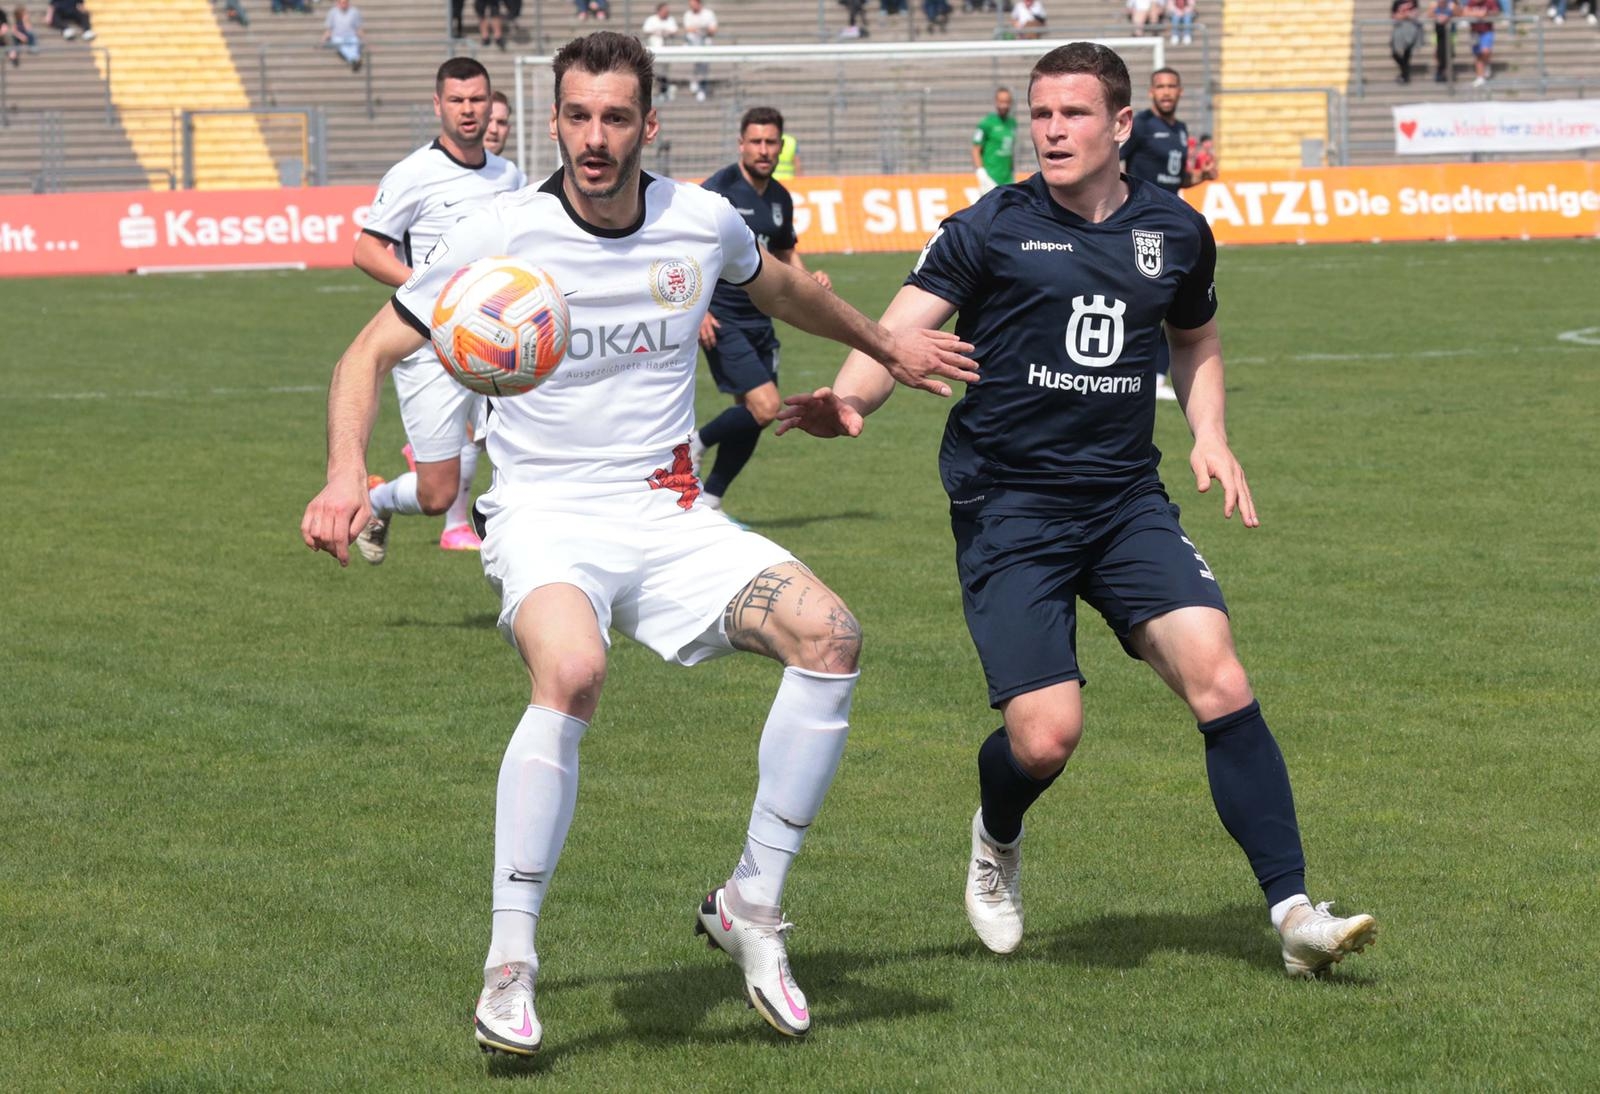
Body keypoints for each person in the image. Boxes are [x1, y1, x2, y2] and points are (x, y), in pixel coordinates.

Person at [299, 31, 974, 1056]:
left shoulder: (698, 223)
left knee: (831, 636)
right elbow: (370, 347)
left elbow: (785, 287)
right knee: (572, 670)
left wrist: (887, 345)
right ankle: (509, 964)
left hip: (670, 512)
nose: (595, 137)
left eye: (616, 117)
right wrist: (349, 472)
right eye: (577, 116)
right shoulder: (502, 235)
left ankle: (751, 900)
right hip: (544, 514)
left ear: (648, 124)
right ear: (555, 120)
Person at [777, 41, 1377, 981]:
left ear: (1121, 125)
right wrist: (849, 400)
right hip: (1009, 506)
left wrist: (1209, 434)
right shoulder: (989, 227)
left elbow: (1198, 334)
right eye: (1040, 115)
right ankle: (996, 833)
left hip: (1125, 499)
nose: (1051, 131)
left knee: (1219, 676)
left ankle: (1294, 910)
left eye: (1073, 115)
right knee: (1046, 738)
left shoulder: (1175, 230)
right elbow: (901, 330)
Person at [350, 57, 526, 562]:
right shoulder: (414, 174)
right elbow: (366, 250)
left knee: (521, 447)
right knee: (436, 494)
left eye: (477, 100)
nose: (469, 111)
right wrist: (435, 294)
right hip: (428, 347)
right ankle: (378, 500)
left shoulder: (509, 175)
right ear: (438, 106)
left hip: (496, 341)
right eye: (457, 101)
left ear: (491, 104)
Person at [689, 107, 830, 515]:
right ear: (741, 144)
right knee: (767, 406)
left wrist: (809, 283)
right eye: (756, 142)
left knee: (754, 415)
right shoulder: (718, 191)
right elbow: (685, 253)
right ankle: (695, 444)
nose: (764, 150)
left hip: (762, 318)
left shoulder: (781, 198)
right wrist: (698, 311)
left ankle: (711, 500)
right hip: (723, 318)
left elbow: (784, 250)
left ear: (781, 146)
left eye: (771, 142)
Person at [1120, 66, 1214, 402]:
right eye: (1160, 86)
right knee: (1144, 302)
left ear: (1180, 91)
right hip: (1141, 226)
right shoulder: (1141, 126)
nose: (1166, 91)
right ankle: (1143, 375)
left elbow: (1176, 180)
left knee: (1171, 303)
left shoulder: (1180, 129)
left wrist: (1201, 175)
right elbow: (1116, 167)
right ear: (1151, 92)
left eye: (1172, 86)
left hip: (1171, 228)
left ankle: (1156, 376)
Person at [971, 86, 1016, 195]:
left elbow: (1010, 150)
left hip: (1007, 179)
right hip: (990, 178)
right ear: (996, 102)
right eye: (1001, 102)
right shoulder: (986, 123)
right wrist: (981, 173)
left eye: (1007, 102)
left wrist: (1012, 170)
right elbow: (975, 149)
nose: (1004, 105)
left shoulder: (1012, 123)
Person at [641, 0, 678, 99]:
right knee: (654, 72)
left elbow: (674, 31)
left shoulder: (670, 20)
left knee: (664, 72)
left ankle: (663, 91)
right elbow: (646, 30)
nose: (666, 13)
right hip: (654, 50)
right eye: (664, 10)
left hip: (666, 50)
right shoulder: (651, 20)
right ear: (659, 11)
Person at [682, 0, 716, 101]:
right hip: (692, 44)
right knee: (696, 64)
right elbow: (688, 29)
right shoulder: (688, 14)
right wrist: (701, 30)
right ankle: (695, 81)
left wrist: (701, 30)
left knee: (704, 67)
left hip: (705, 45)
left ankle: (702, 88)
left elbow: (713, 29)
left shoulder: (708, 14)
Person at [1462, 0, 1500, 86]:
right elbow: (1464, 12)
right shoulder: (1471, 2)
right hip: (1475, 32)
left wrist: (1486, 13)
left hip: (1486, 31)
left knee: (1485, 51)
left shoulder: (1490, 2)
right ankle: (1480, 77)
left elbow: (1496, 12)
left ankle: (1486, 64)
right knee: (1478, 54)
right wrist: (1476, 14)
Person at [322, 0, 364, 71]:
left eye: (345, 3)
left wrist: (364, 39)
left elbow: (358, 28)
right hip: (338, 36)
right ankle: (355, 60)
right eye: (341, 3)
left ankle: (354, 60)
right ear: (338, 3)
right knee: (342, 46)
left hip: (351, 36)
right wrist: (323, 40)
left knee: (354, 44)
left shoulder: (354, 12)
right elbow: (329, 29)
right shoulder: (332, 12)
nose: (343, 4)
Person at [1391, 0, 1423, 83]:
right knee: (1395, 53)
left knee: (1407, 53)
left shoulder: (1414, 2)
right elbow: (1394, 16)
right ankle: (1405, 72)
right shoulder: (1397, 2)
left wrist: (1403, 15)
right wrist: (1406, 15)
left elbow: (1415, 14)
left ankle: (1405, 76)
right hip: (1399, 30)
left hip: (1411, 31)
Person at [1429, 0, 1456, 82]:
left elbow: (1459, 13)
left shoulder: (1452, 4)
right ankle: (1440, 70)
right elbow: (1429, 14)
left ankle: (1447, 71)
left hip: (1450, 32)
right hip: (1438, 32)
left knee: (1449, 51)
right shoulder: (1434, 4)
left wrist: (1448, 16)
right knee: (1438, 52)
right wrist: (1438, 16)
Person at [484, 89, 513, 157]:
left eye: (501, 123)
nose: (494, 130)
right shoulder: (455, 167)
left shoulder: (510, 167)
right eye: (488, 120)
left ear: (508, 130)